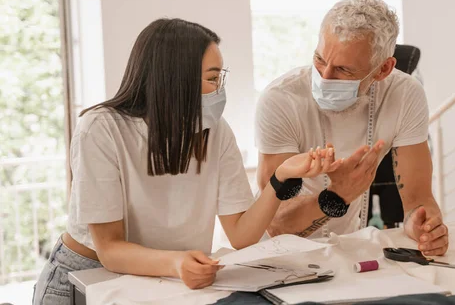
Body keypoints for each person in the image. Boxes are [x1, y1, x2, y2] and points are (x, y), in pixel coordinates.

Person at [33, 18, 339, 305]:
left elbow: (242, 235)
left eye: (220, 77)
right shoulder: (101, 129)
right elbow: (110, 250)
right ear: (173, 79)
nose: (219, 89)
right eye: (211, 78)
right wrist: (176, 262)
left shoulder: (216, 132)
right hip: (85, 279)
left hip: (162, 280)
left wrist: (281, 177)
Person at [256, 0, 449, 256]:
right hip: (279, 255)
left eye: (343, 70)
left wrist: (422, 225)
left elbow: (419, 199)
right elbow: (276, 223)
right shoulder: (280, 99)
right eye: (320, 59)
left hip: (347, 249)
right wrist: (336, 196)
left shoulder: (405, 95)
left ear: (383, 69)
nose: (324, 78)